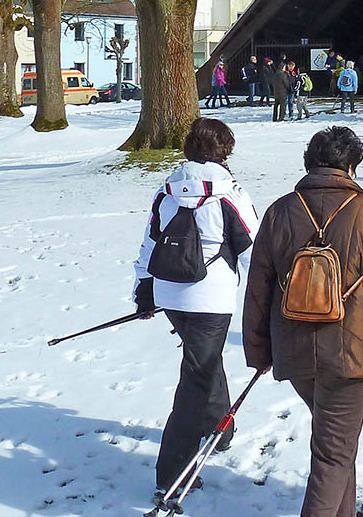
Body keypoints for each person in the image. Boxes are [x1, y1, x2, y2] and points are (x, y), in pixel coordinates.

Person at [243, 126, 363, 517]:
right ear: (352, 166)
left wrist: (259, 352)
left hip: (295, 348)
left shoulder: (279, 210)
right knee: (333, 455)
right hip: (352, 352)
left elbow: (258, 288)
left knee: (336, 447)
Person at [133, 117, 259, 499]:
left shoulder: (167, 187)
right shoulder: (229, 191)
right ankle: (171, 475)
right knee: (195, 381)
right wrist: (266, 298)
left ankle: (221, 430)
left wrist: (144, 289)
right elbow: (252, 247)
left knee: (204, 361)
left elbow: (150, 241)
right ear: (225, 150)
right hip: (210, 299)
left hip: (171, 294)